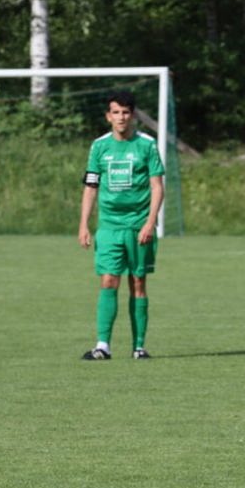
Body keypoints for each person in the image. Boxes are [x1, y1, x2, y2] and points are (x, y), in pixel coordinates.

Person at [78, 91, 165, 360]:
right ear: (108, 116)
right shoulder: (99, 146)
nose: (121, 117)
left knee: (138, 282)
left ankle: (139, 347)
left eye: (125, 112)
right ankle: (103, 346)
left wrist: (150, 222)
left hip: (139, 226)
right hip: (109, 227)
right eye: (116, 112)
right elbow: (91, 187)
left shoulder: (147, 145)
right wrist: (84, 224)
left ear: (133, 115)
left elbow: (157, 186)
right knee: (108, 280)